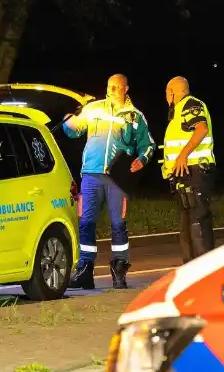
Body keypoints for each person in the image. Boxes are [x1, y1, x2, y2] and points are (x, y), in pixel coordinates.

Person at [61, 74, 156, 289]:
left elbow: (148, 144)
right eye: (108, 86)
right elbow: (75, 131)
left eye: (115, 87)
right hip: (90, 174)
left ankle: (119, 268)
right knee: (86, 223)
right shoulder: (93, 108)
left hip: (117, 179)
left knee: (118, 225)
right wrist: (69, 122)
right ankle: (85, 270)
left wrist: (142, 159)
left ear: (126, 89)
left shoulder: (135, 116)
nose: (110, 90)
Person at [162, 76, 217, 262]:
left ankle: (203, 270)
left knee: (197, 222)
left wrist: (183, 155)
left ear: (171, 93)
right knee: (188, 226)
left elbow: (201, 129)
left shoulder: (189, 104)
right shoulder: (178, 112)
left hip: (195, 172)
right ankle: (191, 268)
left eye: (167, 93)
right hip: (185, 175)